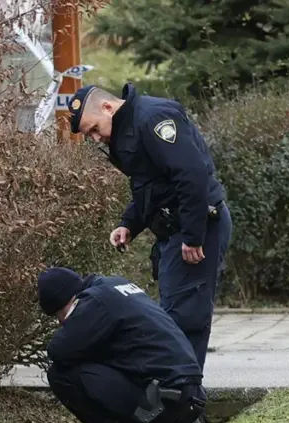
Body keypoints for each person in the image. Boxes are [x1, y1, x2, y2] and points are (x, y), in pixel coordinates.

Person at [65, 83, 233, 373]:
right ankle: (177, 394)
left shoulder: (153, 118)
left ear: (107, 107)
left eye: (93, 129)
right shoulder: (128, 128)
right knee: (174, 317)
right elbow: (152, 184)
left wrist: (194, 236)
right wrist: (130, 224)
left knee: (184, 320)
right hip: (176, 229)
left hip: (195, 227)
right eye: (89, 135)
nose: (95, 139)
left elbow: (191, 174)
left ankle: (184, 400)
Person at [37, 266, 207, 423]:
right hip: (188, 396)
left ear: (65, 304)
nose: (61, 324)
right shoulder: (114, 285)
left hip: (169, 403)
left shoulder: (92, 304)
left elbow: (58, 351)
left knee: (61, 375)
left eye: (59, 318)